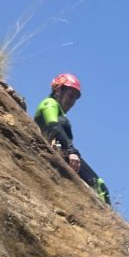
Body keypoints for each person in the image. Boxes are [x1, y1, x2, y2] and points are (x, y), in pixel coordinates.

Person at [34, 73, 111, 204]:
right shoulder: (49, 103)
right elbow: (53, 124)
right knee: (98, 186)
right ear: (58, 90)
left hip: (63, 153)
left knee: (100, 185)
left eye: (75, 98)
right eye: (70, 95)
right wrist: (71, 151)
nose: (72, 101)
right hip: (59, 152)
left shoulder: (59, 112)